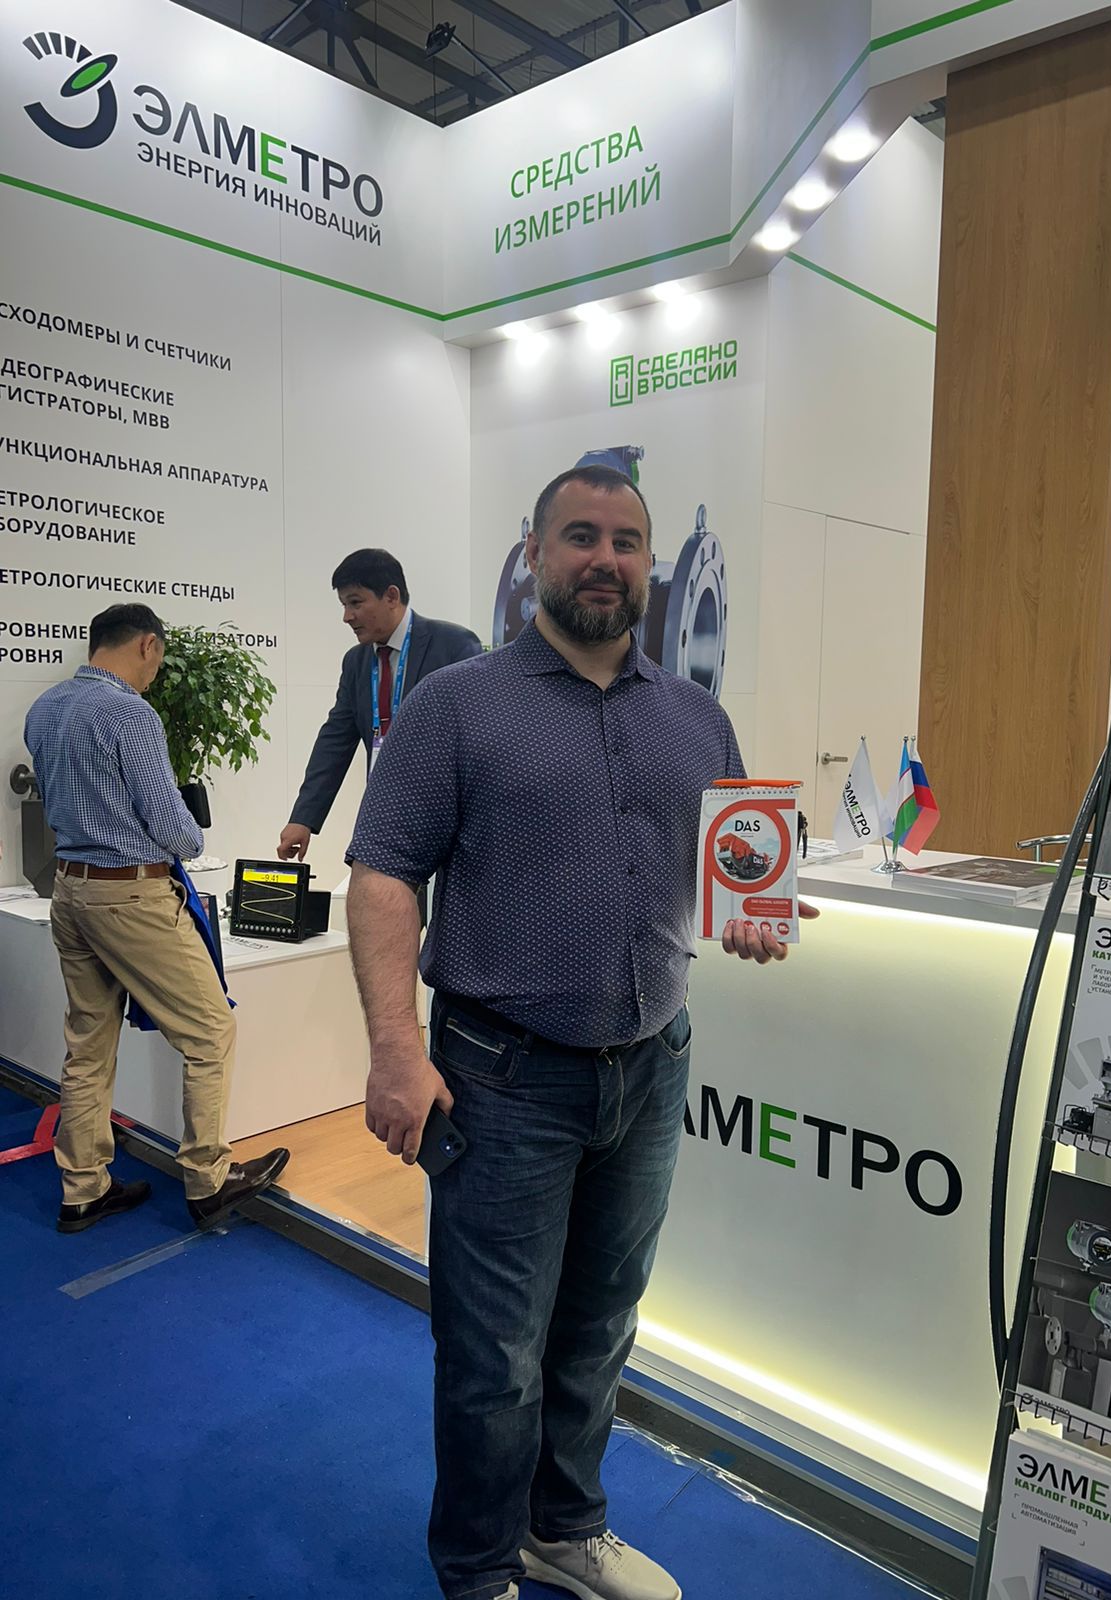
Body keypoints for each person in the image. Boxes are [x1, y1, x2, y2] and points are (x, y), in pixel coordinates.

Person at [345, 465, 818, 1600]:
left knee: (602, 1324)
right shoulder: (458, 704)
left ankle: (562, 1527)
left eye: (625, 540)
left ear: (652, 565)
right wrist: (396, 1048)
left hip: (652, 1068)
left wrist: (754, 911)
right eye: (581, 536)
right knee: (495, 1350)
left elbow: (722, 869)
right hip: (501, 1077)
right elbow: (383, 874)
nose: (605, 559)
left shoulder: (697, 717)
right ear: (536, 553)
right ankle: (477, 1567)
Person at [24, 603, 288, 1235]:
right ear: (147, 645)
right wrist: (192, 834)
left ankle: (83, 1189)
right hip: (130, 897)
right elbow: (177, 831)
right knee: (211, 1030)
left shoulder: (45, 709)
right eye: (158, 660)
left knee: (88, 1044)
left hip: (70, 890)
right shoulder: (130, 713)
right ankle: (208, 1179)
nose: (155, 674)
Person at [278, 548, 482, 862]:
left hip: (445, 824)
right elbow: (334, 742)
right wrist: (303, 818)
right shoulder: (356, 661)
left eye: (355, 602)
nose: (347, 616)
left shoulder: (453, 646)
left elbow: (475, 742)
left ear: (391, 596)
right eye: (344, 605)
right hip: (382, 817)